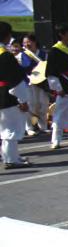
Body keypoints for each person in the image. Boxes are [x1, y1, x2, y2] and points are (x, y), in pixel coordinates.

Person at [0, 22, 30, 169]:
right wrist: (23, 100)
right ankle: (11, 159)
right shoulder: (5, 56)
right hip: (7, 95)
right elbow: (16, 81)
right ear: (6, 35)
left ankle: (10, 156)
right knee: (11, 128)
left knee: (4, 128)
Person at [18, 34, 46, 137]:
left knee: (43, 104)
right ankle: (29, 128)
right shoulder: (23, 54)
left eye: (28, 42)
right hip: (28, 83)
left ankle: (43, 126)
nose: (26, 44)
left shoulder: (43, 54)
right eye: (24, 43)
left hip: (41, 82)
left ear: (34, 42)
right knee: (30, 105)